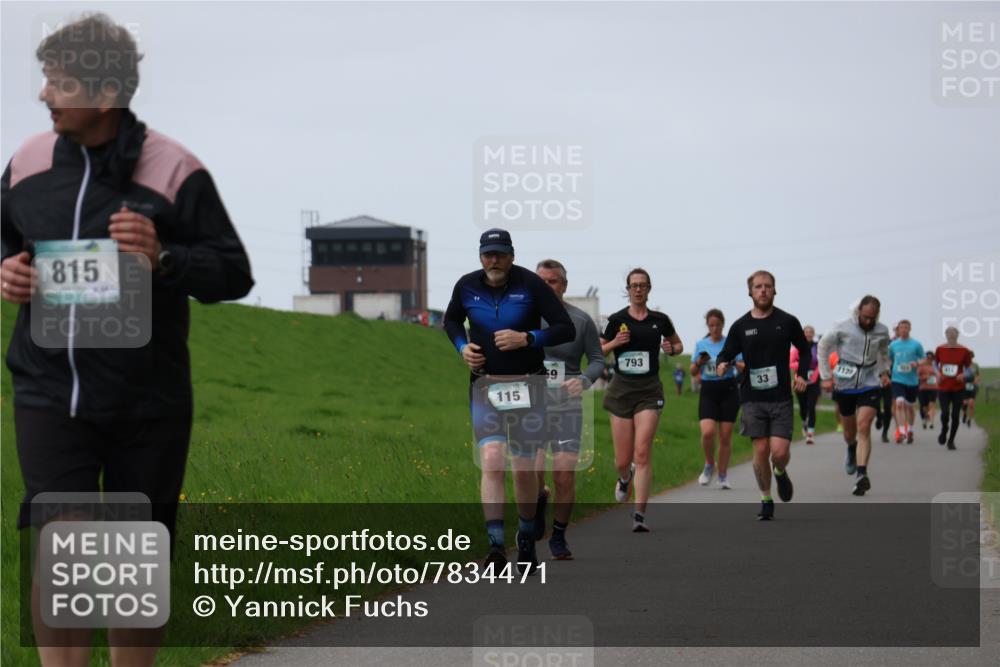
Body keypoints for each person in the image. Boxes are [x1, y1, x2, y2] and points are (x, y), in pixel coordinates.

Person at [1, 14, 254, 667]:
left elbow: (233, 273)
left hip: (148, 398)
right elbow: (5, 240)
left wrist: (164, 257)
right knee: (66, 539)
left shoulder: (174, 169)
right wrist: (9, 270)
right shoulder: (26, 164)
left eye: (58, 82)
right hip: (50, 391)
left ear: (106, 92)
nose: (44, 95)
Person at [443, 229, 574, 573]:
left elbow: (564, 328)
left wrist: (528, 337)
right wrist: (462, 348)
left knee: (525, 466)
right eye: (488, 254)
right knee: (492, 458)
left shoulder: (531, 285)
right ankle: (496, 545)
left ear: (512, 255)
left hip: (529, 386)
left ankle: (527, 533)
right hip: (486, 387)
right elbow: (451, 320)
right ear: (480, 256)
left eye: (500, 254)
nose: (494, 260)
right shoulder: (466, 286)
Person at [715, 271, 810, 520]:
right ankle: (766, 499)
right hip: (752, 398)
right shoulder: (741, 326)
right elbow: (726, 352)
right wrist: (721, 363)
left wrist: (801, 374)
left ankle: (780, 471)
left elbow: (804, 349)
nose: (763, 290)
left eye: (768, 286)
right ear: (750, 292)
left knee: (778, 452)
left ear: (774, 290)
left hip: (780, 398)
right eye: (758, 286)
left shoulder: (787, 321)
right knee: (760, 449)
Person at [533, 259, 605, 560]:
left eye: (554, 282)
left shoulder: (580, 320)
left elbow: (598, 360)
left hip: (567, 406)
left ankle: (559, 535)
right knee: (532, 471)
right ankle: (539, 499)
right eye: (542, 282)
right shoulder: (523, 317)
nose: (548, 287)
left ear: (564, 285)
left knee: (564, 475)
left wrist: (585, 380)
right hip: (531, 405)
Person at [600, 268, 682, 532]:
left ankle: (639, 515)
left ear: (649, 289)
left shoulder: (660, 320)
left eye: (642, 285)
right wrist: (615, 342)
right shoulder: (616, 320)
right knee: (623, 460)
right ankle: (625, 478)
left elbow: (677, 344)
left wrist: (671, 348)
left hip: (649, 390)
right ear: (627, 289)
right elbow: (598, 350)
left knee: (643, 451)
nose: (638, 290)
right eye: (633, 285)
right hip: (621, 390)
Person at [817, 297, 891, 496]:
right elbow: (823, 347)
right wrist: (825, 376)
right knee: (850, 432)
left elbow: (884, 353)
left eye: (872, 318)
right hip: (845, 381)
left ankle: (861, 474)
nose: (868, 322)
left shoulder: (882, 331)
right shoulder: (842, 326)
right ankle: (851, 447)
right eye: (865, 317)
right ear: (858, 312)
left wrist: (884, 372)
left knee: (864, 425)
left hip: (870, 380)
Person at [691, 309, 743, 488]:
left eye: (718, 325)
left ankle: (722, 474)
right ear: (707, 326)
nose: (714, 328)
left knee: (726, 435)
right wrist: (699, 362)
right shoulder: (701, 344)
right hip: (708, 391)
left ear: (723, 324)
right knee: (707, 432)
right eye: (711, 325)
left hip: (728, 390)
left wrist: (733, 362)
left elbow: (744, 366)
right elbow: (692, 371)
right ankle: (709, 463)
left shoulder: (731, 343)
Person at [934, 327, 973, 449]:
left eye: (953, 334)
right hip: (943, 387)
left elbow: (969, 369)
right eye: (949, 334)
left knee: (955, 415)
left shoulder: (964, 351)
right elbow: (935, 364)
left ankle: (951, 440)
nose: (951, 336)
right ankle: (944, 429)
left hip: (958, 388)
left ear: (957, 335)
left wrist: (964, 375)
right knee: (945, 412)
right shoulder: (940, 349)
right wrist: (937, 373)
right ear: (945, 335)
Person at [888, 320, 925, 444]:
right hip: (897, 379)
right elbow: (889, 358)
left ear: (910, 329)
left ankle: (910, 430)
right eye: (901, 328)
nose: (903, 330)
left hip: (912, 380)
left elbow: (923, 359)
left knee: (910, 407)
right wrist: (887, 370)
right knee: (899, 403)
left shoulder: (916, 344)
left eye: (906, 327)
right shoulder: (893, 345)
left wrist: (917, 363)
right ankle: (902, 431)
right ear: (898, 330)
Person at [790, 325, 821, 444]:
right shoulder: (797, 347)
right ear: (803, 333)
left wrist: (815, 375)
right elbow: (791, 363)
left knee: (811, 407)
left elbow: (821, 362)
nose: (808, 334)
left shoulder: (818, 347)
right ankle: (804, 422)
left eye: (810, 332)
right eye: (806, 332)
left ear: (813, 334)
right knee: (803, 407)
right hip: (800, 380)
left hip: (814, 380)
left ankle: (810, 434)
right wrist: (802, 367)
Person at [917, 351, 939, 429]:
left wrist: (937, 377)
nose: (929, 359)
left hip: (933, 388)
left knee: (932, 405)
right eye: (928, 358)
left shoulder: (935, 367)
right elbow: (917, 377)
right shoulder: (921, 366)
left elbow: (939, 376)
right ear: (925, 358)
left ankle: (931, 422)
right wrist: (925, 377)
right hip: (923, 388)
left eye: (931, 358)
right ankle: (926, 418)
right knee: (924, 407)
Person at [962, 352, 980, 427]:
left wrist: (976, 380)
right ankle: (964, 414)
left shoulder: (975, 365)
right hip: (964, 385)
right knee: (964, 403)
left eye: (971, 357)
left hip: (972, 385)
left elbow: (978, 375)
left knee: (971, 403)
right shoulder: (962, 365)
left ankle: (969, 419)